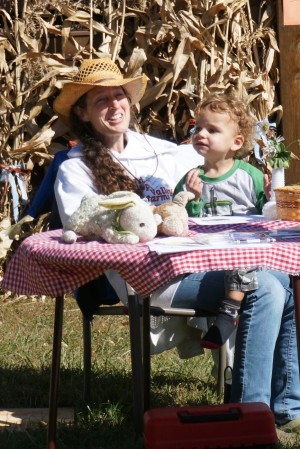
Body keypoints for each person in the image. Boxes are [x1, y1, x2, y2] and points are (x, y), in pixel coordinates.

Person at [53, 57, 300, 432]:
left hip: (203, 262)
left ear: (130, 102)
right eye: (100, 100)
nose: (114, 105)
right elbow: (79, 222)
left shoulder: (163, 151)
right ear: (83, 113)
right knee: (265, 285)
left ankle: (280, 408)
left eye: (118, 96)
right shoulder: (75, 168)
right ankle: (252, 415)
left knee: (286, 278)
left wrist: (260, 179)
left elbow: (221, 156)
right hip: (150, 274)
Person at [173, 93, 270, 350]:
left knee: (243, 249)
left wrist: (272, 199)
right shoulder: (190, 179)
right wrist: (192, 199)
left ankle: (229, 310)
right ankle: (230, 310)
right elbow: (177, 222)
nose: (201, 134)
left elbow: (268, 216)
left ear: (236, 142)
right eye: (198, 128)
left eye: (212, 130)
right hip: (208, 256)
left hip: (246, 252)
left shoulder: (251, 177)